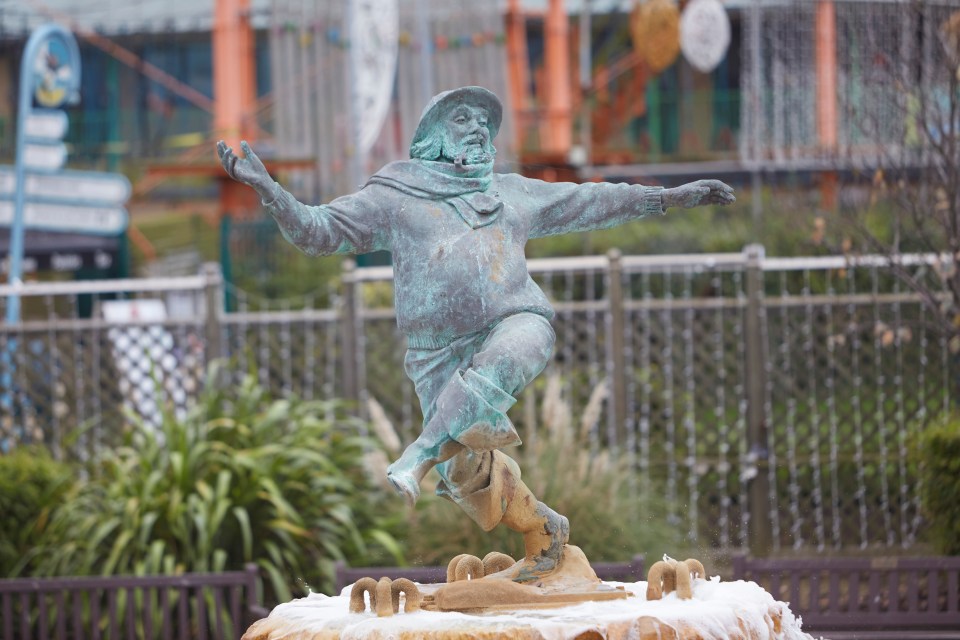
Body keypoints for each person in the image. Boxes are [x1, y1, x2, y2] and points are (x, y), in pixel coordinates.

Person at [218, 86, 735, 582]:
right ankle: (545, 530)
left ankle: (418, 453)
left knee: (507, 358)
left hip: (517, 323)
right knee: (467, 477)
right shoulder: (394, 196)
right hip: (435, 356)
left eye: (484, 121)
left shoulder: (511, 192)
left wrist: (667, 197)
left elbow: (590, 200)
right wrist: (271, 192)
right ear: (432, 136)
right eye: (462, 119)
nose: (478, 129)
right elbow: (318, 232)